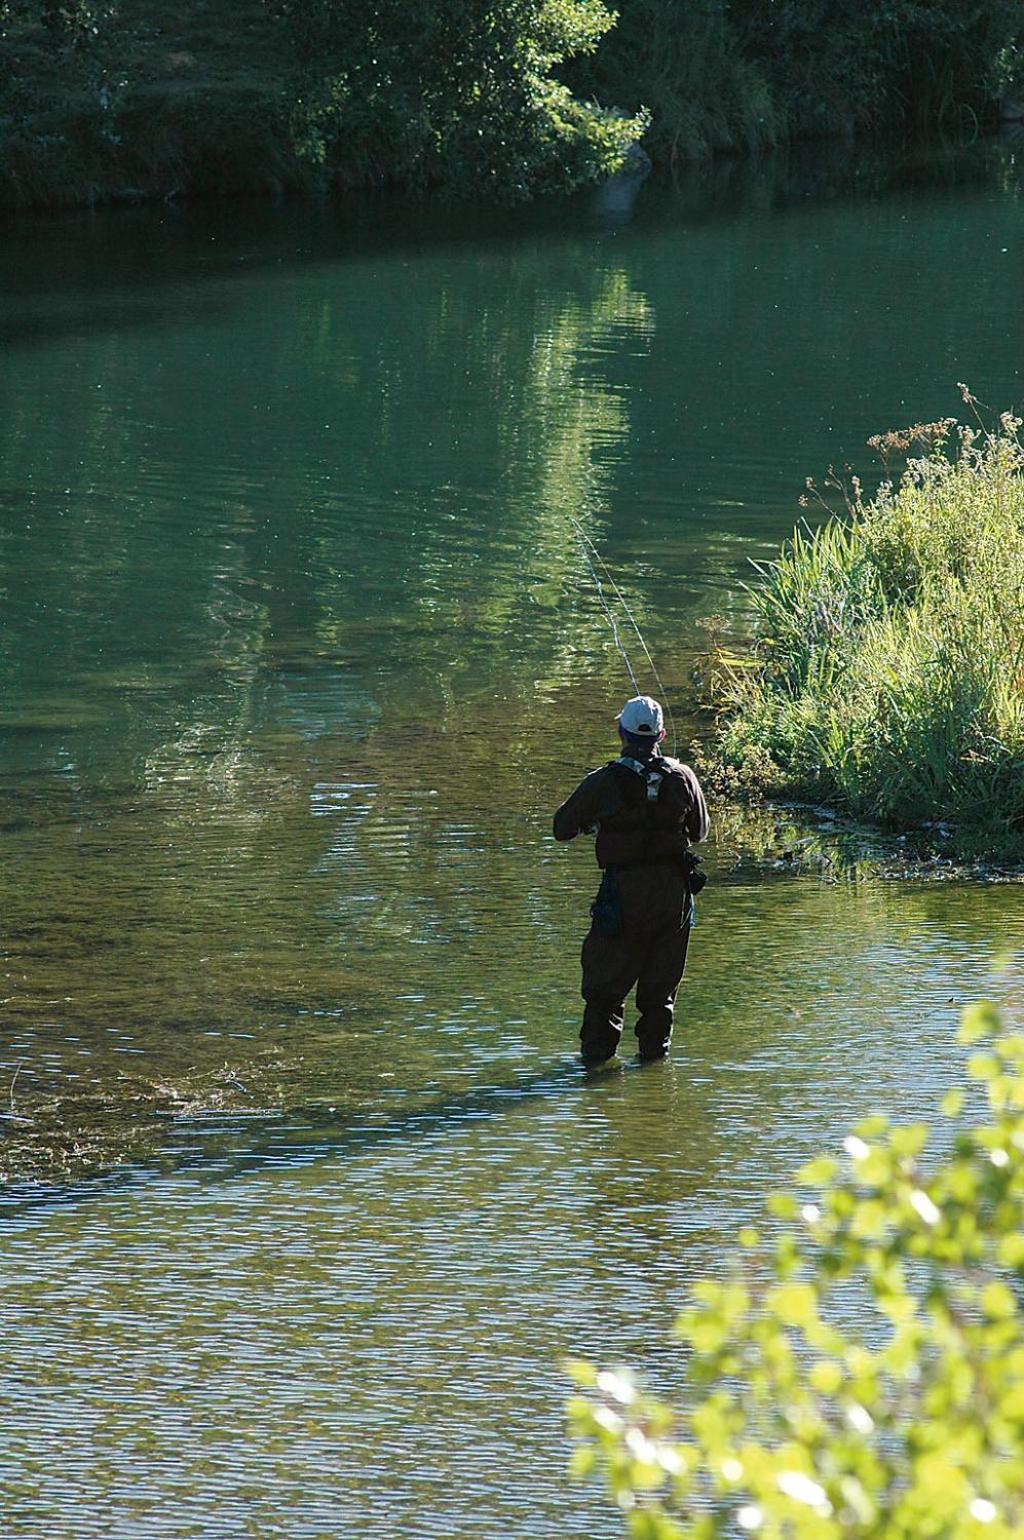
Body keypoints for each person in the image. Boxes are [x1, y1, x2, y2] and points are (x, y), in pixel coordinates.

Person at [552, 694, 709, 1066]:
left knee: (604, 992)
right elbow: (700, 832)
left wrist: (599, 820)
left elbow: (562, 828)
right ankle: (655, 1074)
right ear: (662, 734)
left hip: (623, 897)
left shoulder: (603, 781)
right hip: (673, 898)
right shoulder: (683, 777)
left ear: (621, 732)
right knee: (660, 997)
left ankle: (595, 1076)